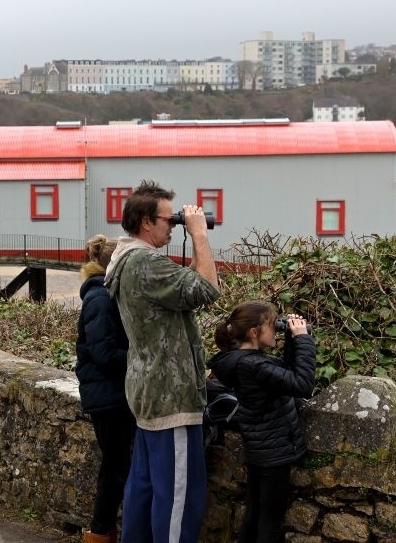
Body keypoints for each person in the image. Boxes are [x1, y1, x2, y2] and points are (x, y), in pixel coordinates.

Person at [104, 180, 220, 543]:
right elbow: (207, 290)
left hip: (148, 391)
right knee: (177, 502)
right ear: (145, 222)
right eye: (169, 220)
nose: (175, 225)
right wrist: (199, 234)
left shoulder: (124, 260)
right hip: (171, 397)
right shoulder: (146, 263)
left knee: (144, 492)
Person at [209, 303, 316, 543]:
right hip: (274, 451)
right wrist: (303, 340)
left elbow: (285, 376)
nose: (276, 329)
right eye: (272, 324)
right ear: (254, 332)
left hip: (260, 448)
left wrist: (291, 339)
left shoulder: (244, 360)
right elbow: (302, 385)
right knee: (270, 519)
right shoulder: (255, 365)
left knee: (255, 512)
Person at [75, 235, 135, 543]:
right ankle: (99, 533)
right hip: (108, 395)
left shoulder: (104, 294)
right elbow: (103, 353)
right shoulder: (100, 298)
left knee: (117, 466)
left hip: (110, 393)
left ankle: (103, 532)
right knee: (115, 469)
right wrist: (141, 358)